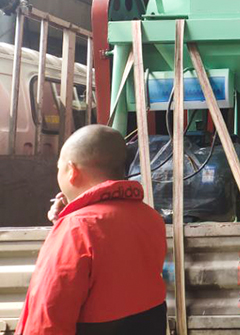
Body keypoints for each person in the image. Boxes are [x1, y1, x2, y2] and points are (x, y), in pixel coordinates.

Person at [16, 125, 167, 335]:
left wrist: (68, 224)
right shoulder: (149, 217)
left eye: (59, 168)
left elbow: (46, 319)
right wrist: (70, 215)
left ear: (72, 171)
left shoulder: (76, 230)